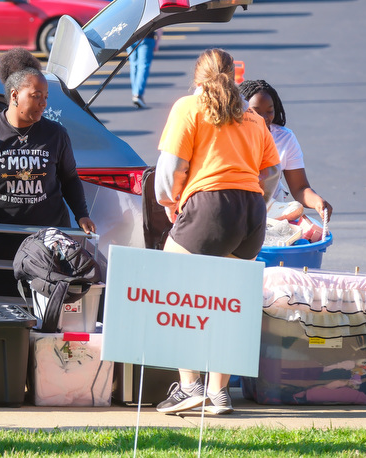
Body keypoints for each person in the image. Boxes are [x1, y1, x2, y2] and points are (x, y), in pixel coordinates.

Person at [153, 49, 281, 415]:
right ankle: (219, 393)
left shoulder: (188, 108)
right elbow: (271, 173)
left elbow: (171, 168)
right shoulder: (254, 118)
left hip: (209, 206)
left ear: (197, 78)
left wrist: (170, 200)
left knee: (174, 295)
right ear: (234, 77)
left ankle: (190, 387)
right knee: (226, 304)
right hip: (250, 213)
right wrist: (260, 205)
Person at [0, 47, 96, 235]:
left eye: (45, 97)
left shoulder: (56, 134)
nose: (43, 103)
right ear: (14, 95)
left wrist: (81, 215)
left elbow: (69, 178)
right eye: (36, 96)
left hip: (48, 236)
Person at [239, 79, 333, 222]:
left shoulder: (285, 138)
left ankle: (270, 212)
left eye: (270, 111)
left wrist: (317, 202)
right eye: (256, 112)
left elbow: (300, 188)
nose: (264, 118)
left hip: (273, 207)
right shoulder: (231, 137)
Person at [128, 30, 162, 109]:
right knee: (143, 66)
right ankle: (138, 94)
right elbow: (159, 27)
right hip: (146, 37)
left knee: (134, 65)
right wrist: (158, 40)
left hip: (131, 38)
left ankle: (135, 93)